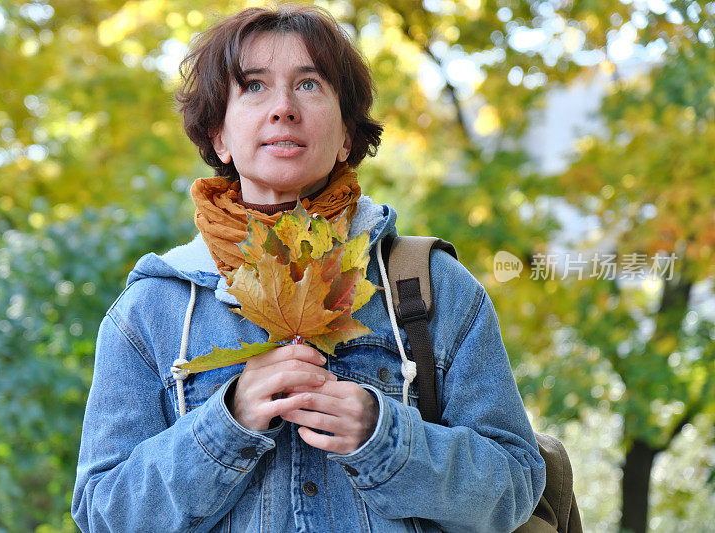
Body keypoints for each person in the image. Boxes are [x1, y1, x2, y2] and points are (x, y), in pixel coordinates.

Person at [71, 5, 545, 532]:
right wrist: (226, 423)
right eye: (252, 86)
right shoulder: (151, 311)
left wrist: (385, 437)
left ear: (346, 135)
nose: (283, 108)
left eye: (310, 84)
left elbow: (515, 485)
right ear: (219, 137)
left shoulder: (428, 287)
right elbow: (102, 514)